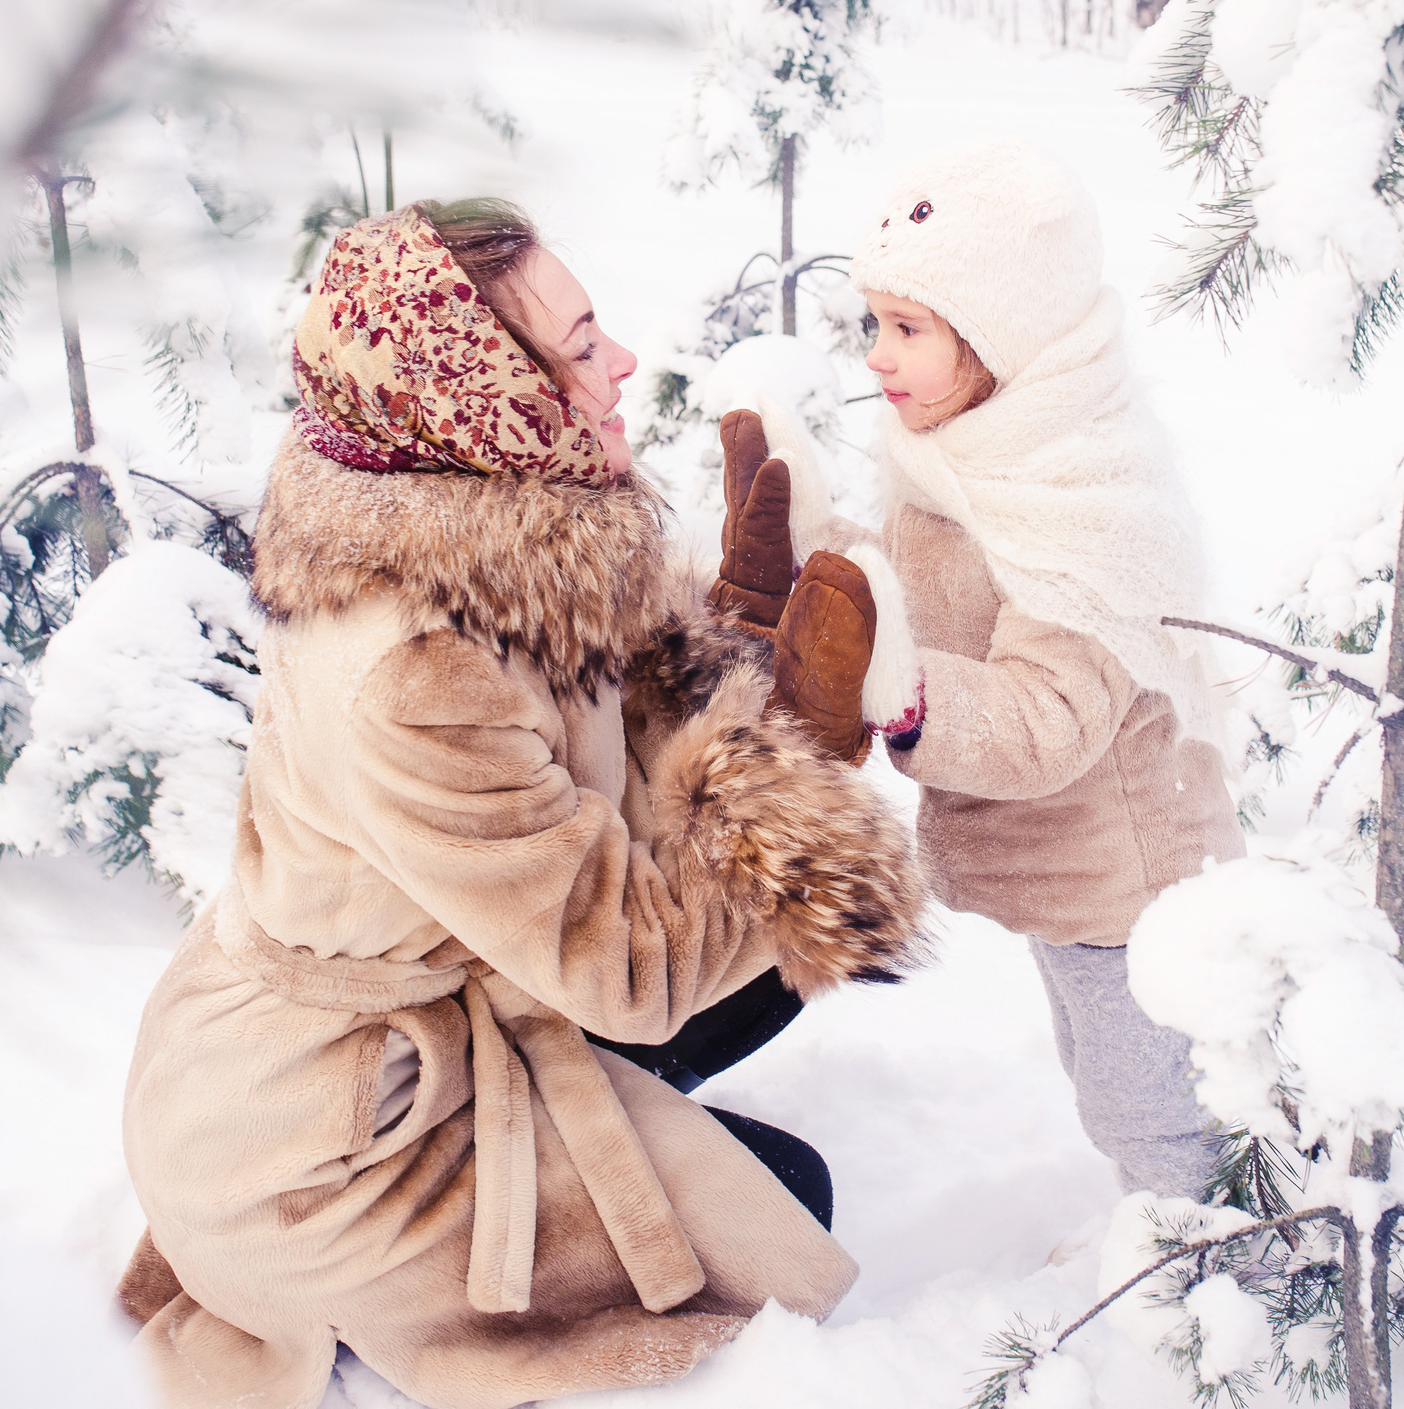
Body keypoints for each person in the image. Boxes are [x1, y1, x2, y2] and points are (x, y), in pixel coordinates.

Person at [116, 200, 926, 1409]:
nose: (622, 364)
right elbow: (633, 970)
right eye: (582, 341)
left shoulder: (490, 528)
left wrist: (727, 656)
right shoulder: (414, 670)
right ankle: (361, 1325)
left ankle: (562, 1140)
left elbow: (603, 729)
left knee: (767, 964)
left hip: (435, 1004)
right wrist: (792, 750)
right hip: (321, 1140)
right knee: (782, 1194)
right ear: (484, 389)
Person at [722, 138, 1241, 1202]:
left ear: (1006, 336)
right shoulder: (970, 450)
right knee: (1109, 1069)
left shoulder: (1087, 502)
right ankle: (1188, 1228)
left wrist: (895, 682)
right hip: (1062, 870)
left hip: (1128, 883)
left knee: (1150, 1104)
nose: (877, 354)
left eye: (908, 328)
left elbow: (1046, 720)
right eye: (875, 323)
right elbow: (915, 588)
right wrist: (808, 532)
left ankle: (1206, 1266)